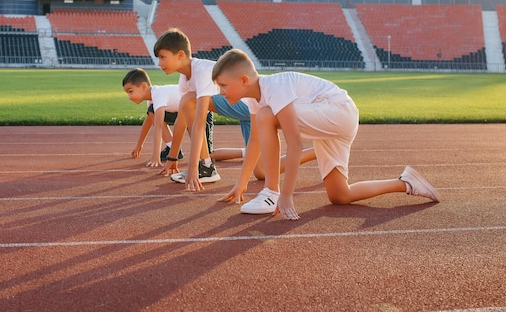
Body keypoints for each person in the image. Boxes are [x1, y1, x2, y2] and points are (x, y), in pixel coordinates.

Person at [212, 49, 441, 220]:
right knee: (340, 195)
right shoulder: (254, 98)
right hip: (332, 121)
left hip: (337, 111)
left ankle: (270, 192)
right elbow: (255, 141)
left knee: (265, 116)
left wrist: (285, 195)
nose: (220, 92)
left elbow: (295, 143)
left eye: (223, 85)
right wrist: (241, 184)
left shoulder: (275, 87)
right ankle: (406, 183)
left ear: (244, 80)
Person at [153, 29, 254, 191]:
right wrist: (172, 157)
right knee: (262, 171)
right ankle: (311, 153)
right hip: (248, 116)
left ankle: (206, 167)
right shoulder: (184, 79)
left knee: (189, 101)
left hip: (250, 106)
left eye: (163, 57)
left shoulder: (202, 71)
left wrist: (193, 167)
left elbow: (200, 122)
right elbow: (181, 120)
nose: (159, 63)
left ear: (180, 54)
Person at [122, 68, 186, 167]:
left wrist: (156, 156)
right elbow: (148, 122)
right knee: (152, 111)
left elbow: (158, 126)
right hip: (183, 113)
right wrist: (139, 145)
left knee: (208, 155)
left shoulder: (158, 95)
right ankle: (172, 148)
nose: (129, 97)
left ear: (143, 86)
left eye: (130, 91)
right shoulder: (152, 99)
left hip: (201, 112)